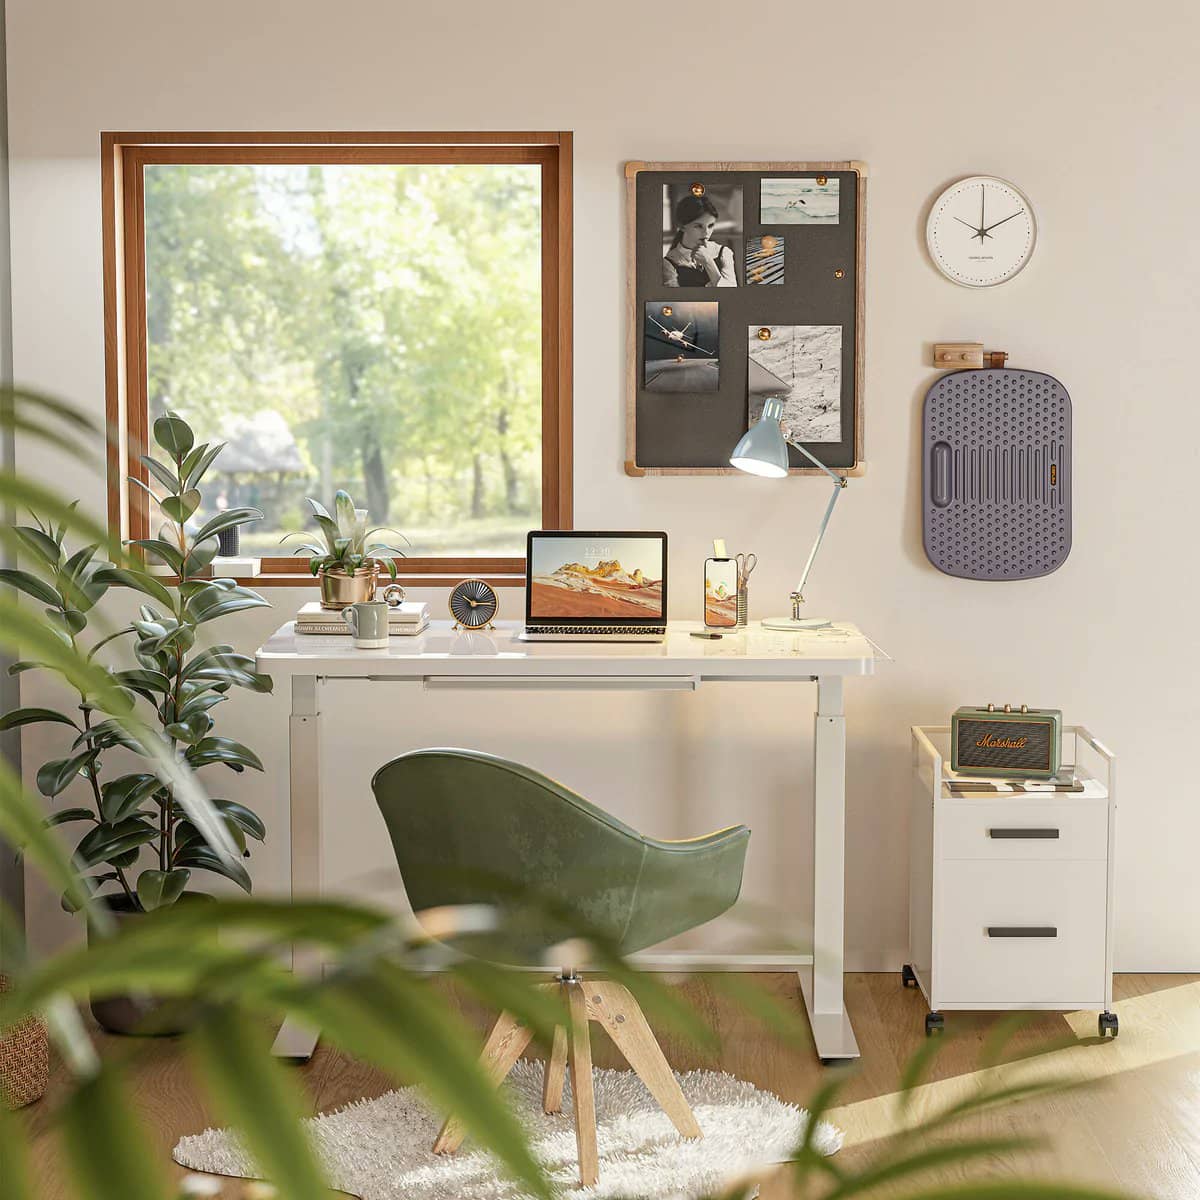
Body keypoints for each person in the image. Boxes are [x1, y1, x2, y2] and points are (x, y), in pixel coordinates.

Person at [662, 193, 737, 287]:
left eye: (710, 226)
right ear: (682, 226)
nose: (706, 233)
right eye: (698, 226)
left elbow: (732, 294)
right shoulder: (668, 263)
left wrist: (708, 262)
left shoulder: (723, 252)